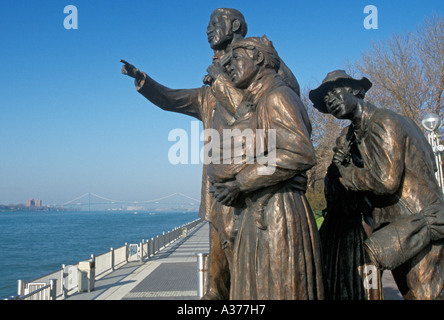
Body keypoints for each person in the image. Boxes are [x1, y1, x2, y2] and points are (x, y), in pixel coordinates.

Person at [121, 8, 300, 300]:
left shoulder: (258, 60)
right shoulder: (209, 91)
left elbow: (285, 95)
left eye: (214, 23)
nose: (207, 29)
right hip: (218, 185)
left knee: (241, 254)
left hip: (252, 180)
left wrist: (224, 79)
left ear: (236, 25)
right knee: (218, 258)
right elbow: (173, 99)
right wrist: (144, 81)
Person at [309, 70, 444, 300]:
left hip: (419, 225)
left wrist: (345, 173)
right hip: (400, 230)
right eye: (326, 99)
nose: (330, 100)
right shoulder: (356, 134)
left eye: (334, 92)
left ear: (355, 90)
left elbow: (386, 181)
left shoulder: (384, 121)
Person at [212, 36, 325, 299]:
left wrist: (241, 182)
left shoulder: (277, 96)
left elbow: (300, 152)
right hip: (264, 210)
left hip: (278, 214)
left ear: (258, 58)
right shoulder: (260, 101)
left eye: (236, 59)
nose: (230, 67)